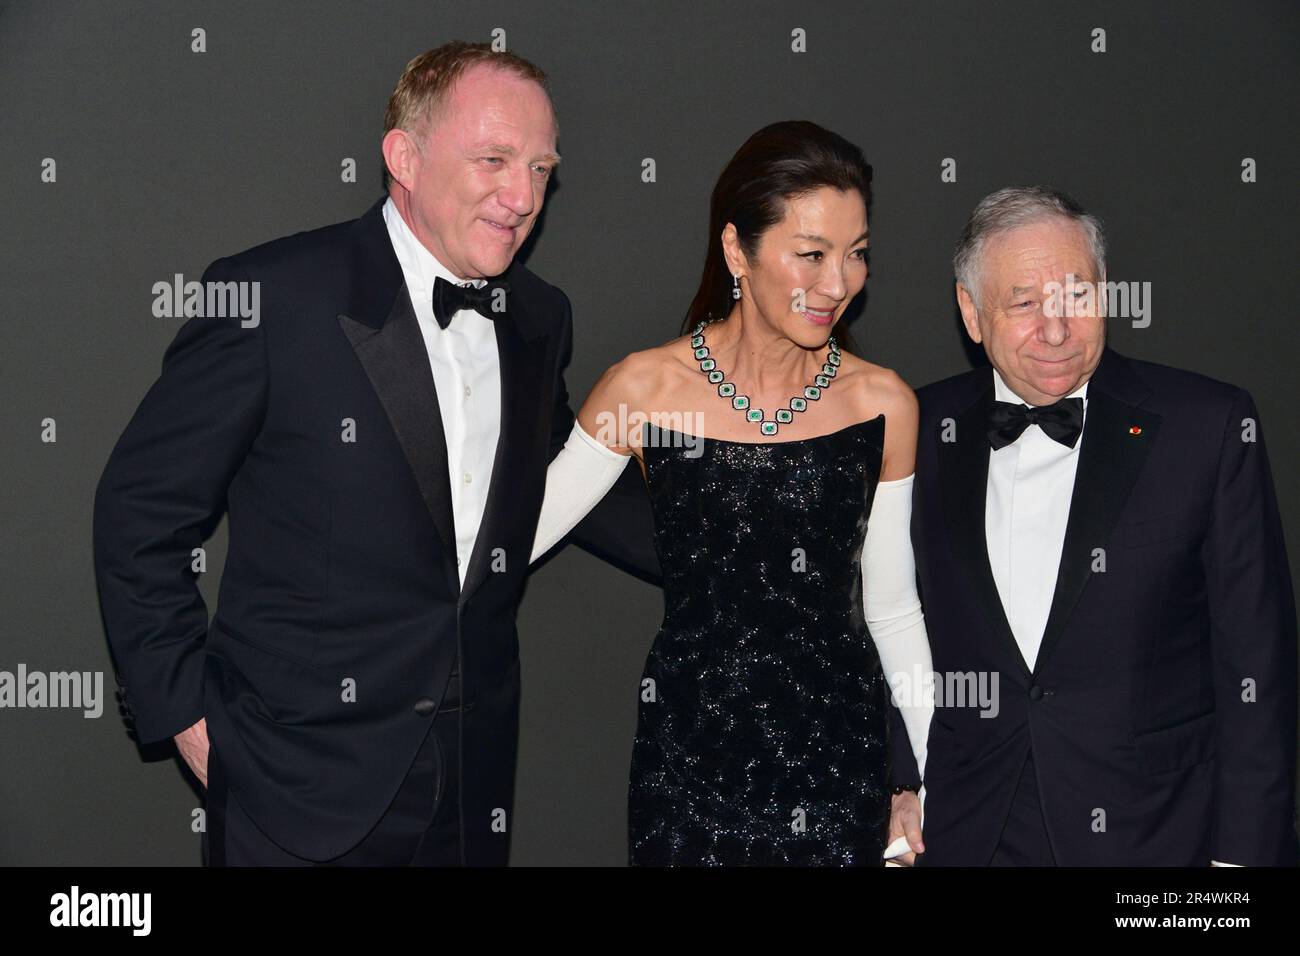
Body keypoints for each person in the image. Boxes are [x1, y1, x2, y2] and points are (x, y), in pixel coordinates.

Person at [93, 41, 657, 867]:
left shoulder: (538, 316)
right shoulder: (273, 299)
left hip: (474, 789)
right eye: (494, 160)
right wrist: (186, 714)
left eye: (542, 167)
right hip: (294, 781)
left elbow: (555, 481)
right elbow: (139, 509)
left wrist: (740, 539)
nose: (523, 195)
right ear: (404, 155)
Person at [528, 120, 935, 865]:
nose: (838, 283)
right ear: (735, 251)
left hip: (837, 765)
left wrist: (932, 780)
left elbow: (892, 608)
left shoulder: (884, 405)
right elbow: (510, 540)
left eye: (856, 255)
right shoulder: (645, 389)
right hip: (686, 765)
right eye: (810, 254)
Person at [886, 185, 1297, 866]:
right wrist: (902, 775)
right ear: (971, 312)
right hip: (971, 828)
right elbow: (891, 616)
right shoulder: (918, 429)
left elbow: (1258, 660)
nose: (1056, 330)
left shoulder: (1208, 427)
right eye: (1023, 303)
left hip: (1158, 836)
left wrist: (1244, 861)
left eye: (1077, 297)